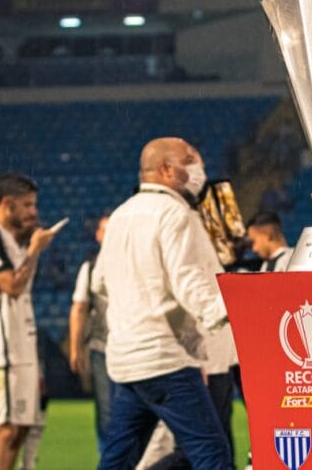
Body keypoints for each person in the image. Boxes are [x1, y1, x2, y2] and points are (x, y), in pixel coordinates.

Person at [96, 137, 231, 470]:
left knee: (118, 459)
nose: (198, 169)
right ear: (166, 169)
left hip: (125, 360)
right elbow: (187, 281)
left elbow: (99, 282)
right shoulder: (175, 213)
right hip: (165, 359)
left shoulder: (119, 216)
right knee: (212, 454)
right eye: (189, 160)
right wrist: (228, 308)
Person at [0, 173, 58, 470]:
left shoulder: (9, 239)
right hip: (2, 349)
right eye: (28, 205)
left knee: (18, 428)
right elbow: (10, 285)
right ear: (7, 204)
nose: (33, 212)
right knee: (4, 429)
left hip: (19, 348)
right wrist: (34, 250)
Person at [68, 215, 112, 454]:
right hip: (101, 348)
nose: (108, 235)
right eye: (104, 230)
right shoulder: (90, 267)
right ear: (97, 235)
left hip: (129, 348)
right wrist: (76, 347)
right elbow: (79, 307)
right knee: (106, 413)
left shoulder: (131, 263)